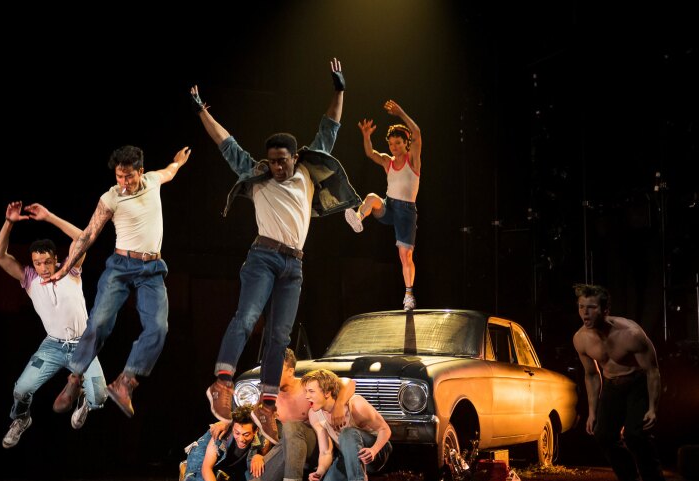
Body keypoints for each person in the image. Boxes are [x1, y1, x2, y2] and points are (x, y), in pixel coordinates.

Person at [193, 58, 360, 446]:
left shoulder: (306, 170)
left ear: (294, 158)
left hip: (294, 265)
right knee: (248, 315)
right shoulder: (257, 176)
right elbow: (225, 143)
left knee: (280, 336)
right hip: (263, 258)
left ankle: (267, 404)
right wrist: (202, 111)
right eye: (272, 162)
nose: (277, 168)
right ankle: (222, 382)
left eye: (282, 161)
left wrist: (339, 90)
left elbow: (329, 130)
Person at [47, 144, 192, 418]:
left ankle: (126, 382)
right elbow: (89, 234)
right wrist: (65, 267)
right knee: (100, 321)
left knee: (159, 328)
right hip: (121, 267)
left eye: (129, 177)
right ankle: (74, 378)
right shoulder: (111, 198)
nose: (124, 183)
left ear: (140, 172)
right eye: (119, 177)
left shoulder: (153, 181)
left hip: (152, 269)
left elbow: (169, 172)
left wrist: (178, 162)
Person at [0, 201, 107, 448]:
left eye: (46, 262)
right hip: (52, 346)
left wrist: (49, 217)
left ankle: (85, 398)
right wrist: (9, 222)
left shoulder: (70, 268)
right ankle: (21, 419)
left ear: (56, 259)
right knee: (21, 390)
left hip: (83, 345)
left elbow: (83, 236)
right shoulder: (29, 279)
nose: (42, 268)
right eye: (37, 263)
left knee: (100, 397)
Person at [208, 349, 355, 481]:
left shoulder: (306, 387)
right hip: (287, 448)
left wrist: (339, 405)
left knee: (291, 427)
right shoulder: (269, 397)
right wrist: (228, 422)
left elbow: (349, 382)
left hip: (315, 447)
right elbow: (249, 415)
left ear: (291, 371)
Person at [572, 283, 668, 481]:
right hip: (612, 386)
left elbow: (653, 371)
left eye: (591, 307)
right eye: (581, 307)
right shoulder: (581, 339)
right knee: (603, 434)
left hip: (637, 383)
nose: (585, 313)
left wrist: (653, 407)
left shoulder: (631, 334)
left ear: (604, 310)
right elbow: (592, 375)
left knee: (636, 436)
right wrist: (592, 412)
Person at [345, 99, 422, 311]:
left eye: (397, 143)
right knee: (371, 197)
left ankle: (408, 294)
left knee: (405, 256)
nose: (393, 147)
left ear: (405, 143)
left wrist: (400, 113)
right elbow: (371, 153)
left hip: (406, 212)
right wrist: (367, 136)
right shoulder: (388, 161)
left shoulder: (413, 160)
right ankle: (358, 219)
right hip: (389, 207)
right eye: (390, 144)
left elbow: (417, 132)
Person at [303, 369, 392, 481]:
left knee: (347, 433)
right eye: (306, 391)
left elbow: (385, 429)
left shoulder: (355, 404)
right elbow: (326, 452)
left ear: (327, 392)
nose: (307, 396)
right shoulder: (315, 415)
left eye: (311, 391)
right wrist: (319, 472)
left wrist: (373, 450)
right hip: (348, 456)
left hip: (376, 452)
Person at [178, 404, 265, 481]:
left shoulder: (262, 434)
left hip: (228, 466)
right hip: (203, 461)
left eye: (246, 434)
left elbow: (266, 447)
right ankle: (186, 474)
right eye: (237, 433)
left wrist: (259, 456)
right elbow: (206, 467)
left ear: (255, 431)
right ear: (233, 428)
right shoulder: (221, 434)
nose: (241, 439)